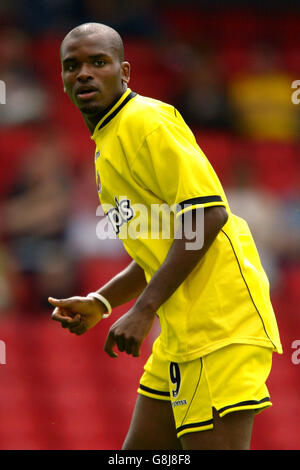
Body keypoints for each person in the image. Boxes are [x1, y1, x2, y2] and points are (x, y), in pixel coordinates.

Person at [49, 23, 282, 450]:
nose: (83, 73)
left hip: (221, 325)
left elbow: (208, 216)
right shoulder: (108, 143)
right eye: (72, 66)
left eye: (98, 62)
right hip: (180, 334)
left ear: (124, 71)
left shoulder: (147, 122)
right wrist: (102, 302)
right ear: (62, 79)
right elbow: (161, 250)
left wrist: (143, 309)